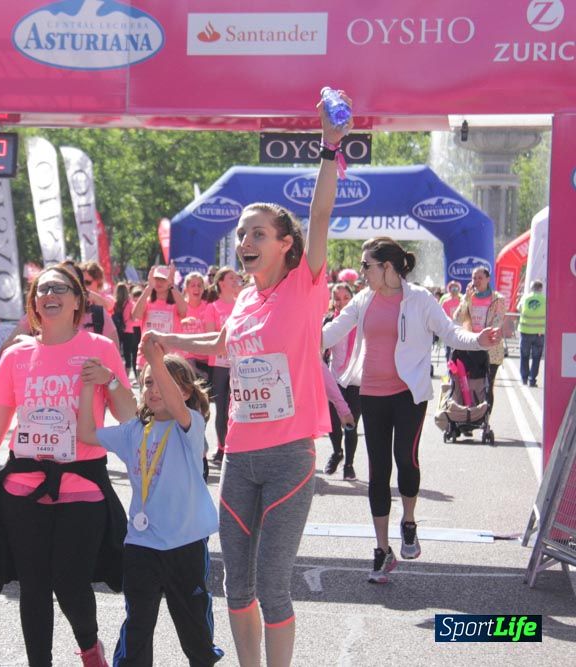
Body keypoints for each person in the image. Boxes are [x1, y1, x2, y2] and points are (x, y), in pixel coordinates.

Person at [145, 92, 350, 666]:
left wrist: (330, 147)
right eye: (241, 235)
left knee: (272, 583)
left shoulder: (305, 285)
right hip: (239, 454)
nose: (245, 243)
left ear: (286, 244)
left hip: (288, 455)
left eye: (258, 234)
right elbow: (221, 345)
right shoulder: (244, 303)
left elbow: (320, 213)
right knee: (236, 585)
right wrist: (168, 344)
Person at [0, 264, 136, 667]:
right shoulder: (17, 354)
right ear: (34, 304)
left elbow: (129, 419)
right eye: (41, 290)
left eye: (59, 288)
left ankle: (90, 649)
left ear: (78, 301)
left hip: (82, 484)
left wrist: (109, 380)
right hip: (23, 484)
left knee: (70, 583)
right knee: (33, 586)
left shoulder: (99, 348)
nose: (48, 295)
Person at [323, 237, 500, 584]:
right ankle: (381, 550)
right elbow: (330, 333)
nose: (362, 272)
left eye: (366, 266)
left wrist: (479, 339)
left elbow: (450, 333)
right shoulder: (363, 299)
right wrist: (294, 343)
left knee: (406, 459)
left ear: (387, 267)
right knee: (377, 470)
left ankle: (408, 521)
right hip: (371, 393)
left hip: (409, 395)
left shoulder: (419, 300)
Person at [76, 340, 223, 667]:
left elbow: (174, 402)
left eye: (163, 383)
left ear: (184, 392)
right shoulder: (134, 431)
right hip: (142, 545)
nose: (153, 389)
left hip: (185, 545)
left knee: (194, 626)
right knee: (138, 625)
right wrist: (90, 384)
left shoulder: (191, 426)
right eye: (147, 383)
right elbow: (86, 433)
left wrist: (155, 360)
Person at [202, 267, 244, 464]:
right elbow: (211, 336)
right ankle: (221, 448)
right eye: (231, 278)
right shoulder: (213, 307)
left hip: (240, 363)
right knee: (222, 407)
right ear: (221, 283)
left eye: (237, 277)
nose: (236, 280)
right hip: (219, 364)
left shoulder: (242, 305)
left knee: (239, 407)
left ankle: (237, 447)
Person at [322, 282, 360, 480]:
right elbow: (320, 348)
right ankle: (337, 452)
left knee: (351, 422)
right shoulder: (329, 321)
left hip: (356, 380)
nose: (341, 302)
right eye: (337, 298)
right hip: (334, 377)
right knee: (333, 421)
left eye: (346, 298)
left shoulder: (360, 320)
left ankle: (349, 464)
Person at [453, 267, 505, 407]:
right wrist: (465, 300)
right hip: (471, 346)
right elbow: (457, 318)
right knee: (469, 385)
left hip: (490, 349)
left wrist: (486, 337)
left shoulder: (498, 299)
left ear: (488, 279)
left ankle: (485, 421)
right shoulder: (469, 297)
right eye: (474, 278)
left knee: (487, 386)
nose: (476, 281)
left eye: (480, 278)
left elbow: (497, 321)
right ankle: (469, 418)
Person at [179, 272, 211, 387]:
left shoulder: (208, 306)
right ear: (186, 288)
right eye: (192, 285)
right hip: (187, 359)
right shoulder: (181, 306)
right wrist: (181, 322)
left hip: (206, 358)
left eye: (199, 285)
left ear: (203, 288)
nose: (196, 288)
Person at [517, 280, 546, 387]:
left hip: (525, 331)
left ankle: (524, 378)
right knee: (536, 357)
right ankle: (532, 380)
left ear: (531, 287)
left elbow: (518, 308)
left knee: (524, 356)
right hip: (539, 333)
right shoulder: (545, 299)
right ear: (541, 288)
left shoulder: (525, 298)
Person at [439, 281, 462, 360]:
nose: (454, 290)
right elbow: (442, 316)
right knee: (448, 352)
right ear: (449, 289)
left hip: (460, 331)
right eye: (452, 288)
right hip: (449, 331)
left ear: (459, 289)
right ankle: (450, 369)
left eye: (456, 288)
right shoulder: (445, 302)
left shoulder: (462, 301)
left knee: (460, 352)